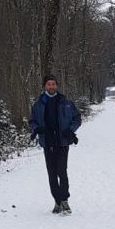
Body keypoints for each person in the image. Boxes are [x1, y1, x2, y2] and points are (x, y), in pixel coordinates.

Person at [29, 75, 82, 215]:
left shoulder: (66, 102)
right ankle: (57, 202)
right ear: (44, 86)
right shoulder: (38, 104)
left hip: (62, 143)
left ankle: (64, 200)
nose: (51, 86)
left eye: (53, 84)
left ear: (56, 86)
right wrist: (36, 129)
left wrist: (70, 131)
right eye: (48, 84)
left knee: (62, 172)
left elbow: (77, 118)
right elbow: (32, 121)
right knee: (52, 174)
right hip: (48, 143)